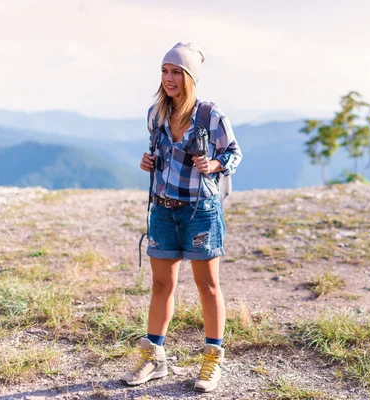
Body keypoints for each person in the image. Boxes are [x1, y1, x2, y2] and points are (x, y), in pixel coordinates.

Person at [121, 42, 242, 393]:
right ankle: (154, 358)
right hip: (162, 209)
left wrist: (216, 164)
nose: (169, 78)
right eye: (165, 71)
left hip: (199, 211)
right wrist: (149, 162)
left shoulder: (210, 116)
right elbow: (159, 153)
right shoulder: (156, 114)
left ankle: (212, 361)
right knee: (161, 285)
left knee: (208, 287)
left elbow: (234, 153)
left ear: (190, 77)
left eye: (177, 72)